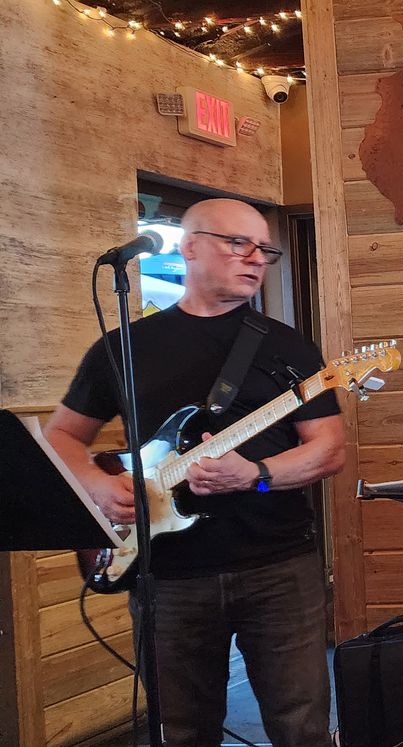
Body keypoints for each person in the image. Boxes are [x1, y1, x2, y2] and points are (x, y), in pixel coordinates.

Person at [43, 199, 345, 746]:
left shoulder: (288, 347)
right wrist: (98, 486)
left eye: (265, 249)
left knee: (301, 727)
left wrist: (255, 473)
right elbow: (61, 435)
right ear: (189, 247)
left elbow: (328, 450)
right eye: (239, 243)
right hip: (166, 574)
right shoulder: (124, 347)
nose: (256, 258)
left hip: (278, 566)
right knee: (180, 731)